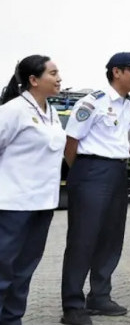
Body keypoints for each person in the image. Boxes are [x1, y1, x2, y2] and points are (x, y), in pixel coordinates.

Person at [61, 52, 130, 325]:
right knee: (83, 239)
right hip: (90, 171)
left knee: (111, 237)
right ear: (116, 72)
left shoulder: (129, 106)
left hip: (116, 172)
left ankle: (99, 296)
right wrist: (85, 172)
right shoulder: (92, 102)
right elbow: (71, 143)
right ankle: (73, 306)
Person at [0, 55, 66, 325]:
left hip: (42, 204)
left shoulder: (51, 112)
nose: (59, 77)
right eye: (53, 73)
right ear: (33, 80)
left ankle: (12, 320)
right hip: (13, 205)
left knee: (24, 270)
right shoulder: (14, 110)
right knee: (3, 269)